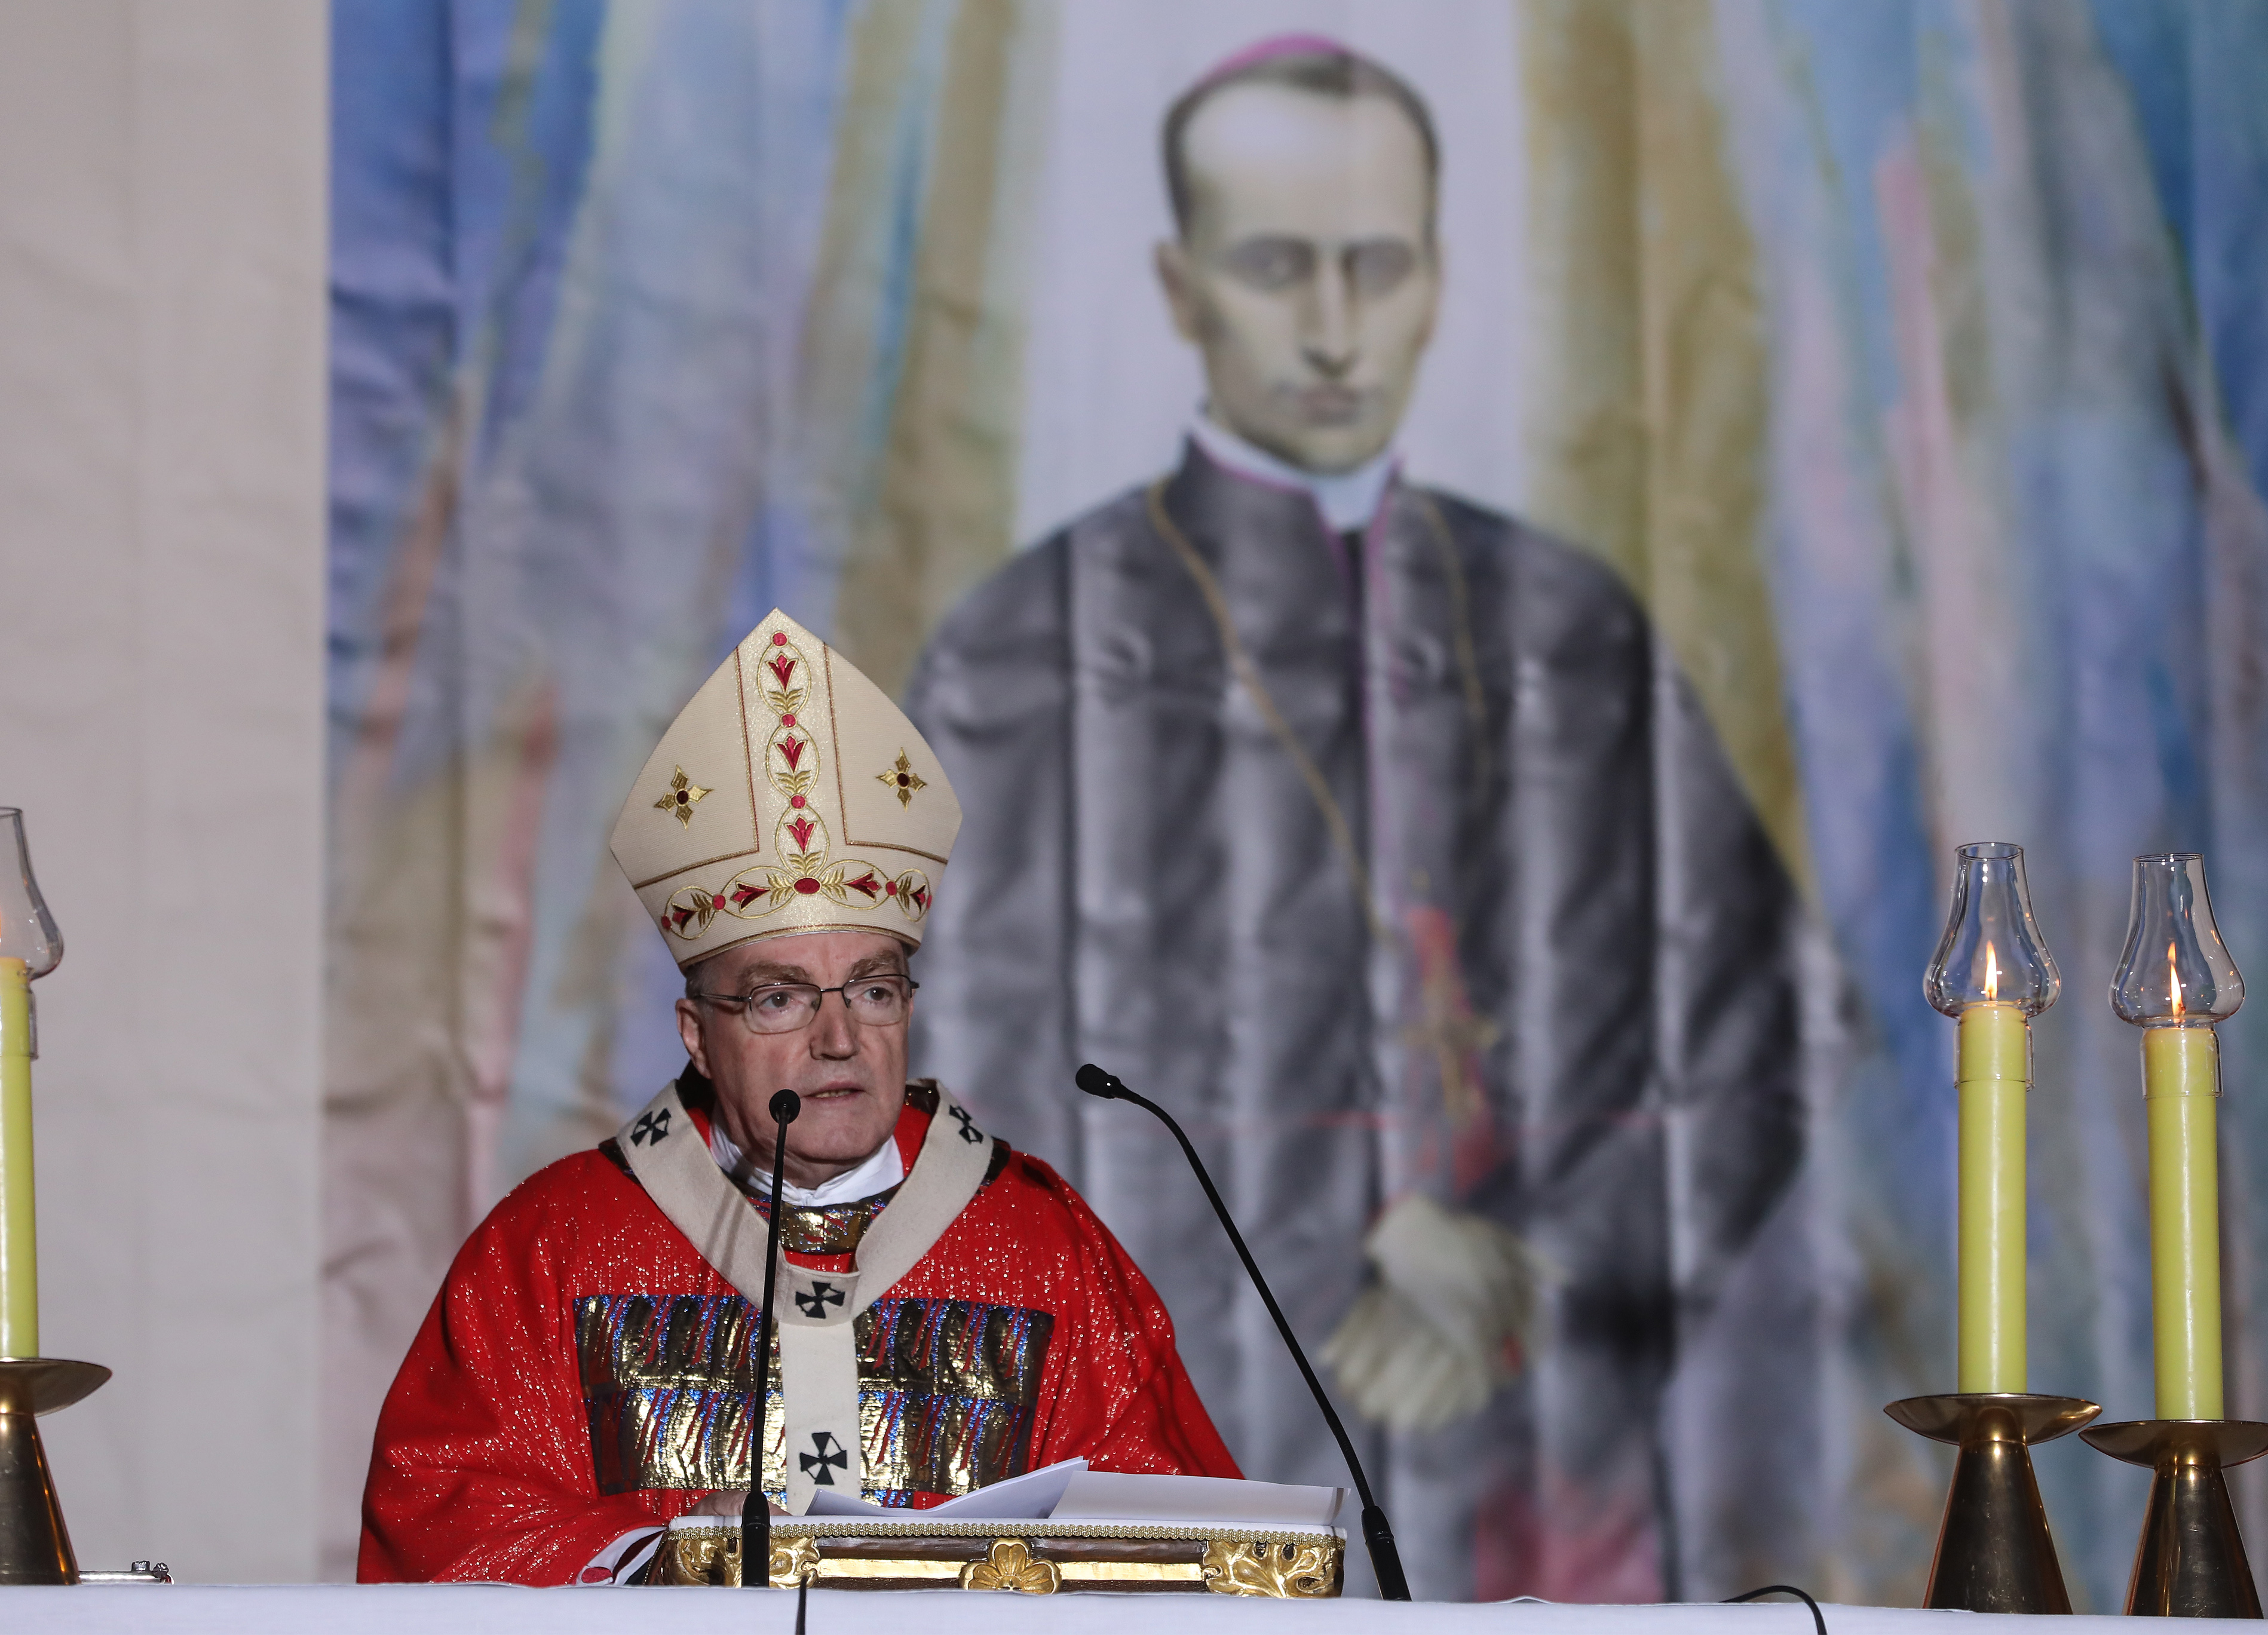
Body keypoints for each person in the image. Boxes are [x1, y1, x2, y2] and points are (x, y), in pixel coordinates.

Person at [903, 38, 1803, 1599]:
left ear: (1440, 278)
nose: (1332, 330)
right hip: (1199, 1456)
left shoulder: (1569, 621)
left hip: (1545, 1472)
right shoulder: (1022, 650)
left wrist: (1539, 1255)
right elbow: (964, 1105)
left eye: (1375, 267)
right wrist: (1348, 1236)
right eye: (1275, 267)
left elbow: (1766, 1030)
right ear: (1180, 287)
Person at [358, 608, 1239, 1585]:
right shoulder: (556, 1247)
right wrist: (658, 1562)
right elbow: (445, 1515)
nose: (838, 1039)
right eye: (780, 998)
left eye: (872, 989)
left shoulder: (1041, 1249)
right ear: (698, 1034)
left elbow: (1182, 1542)